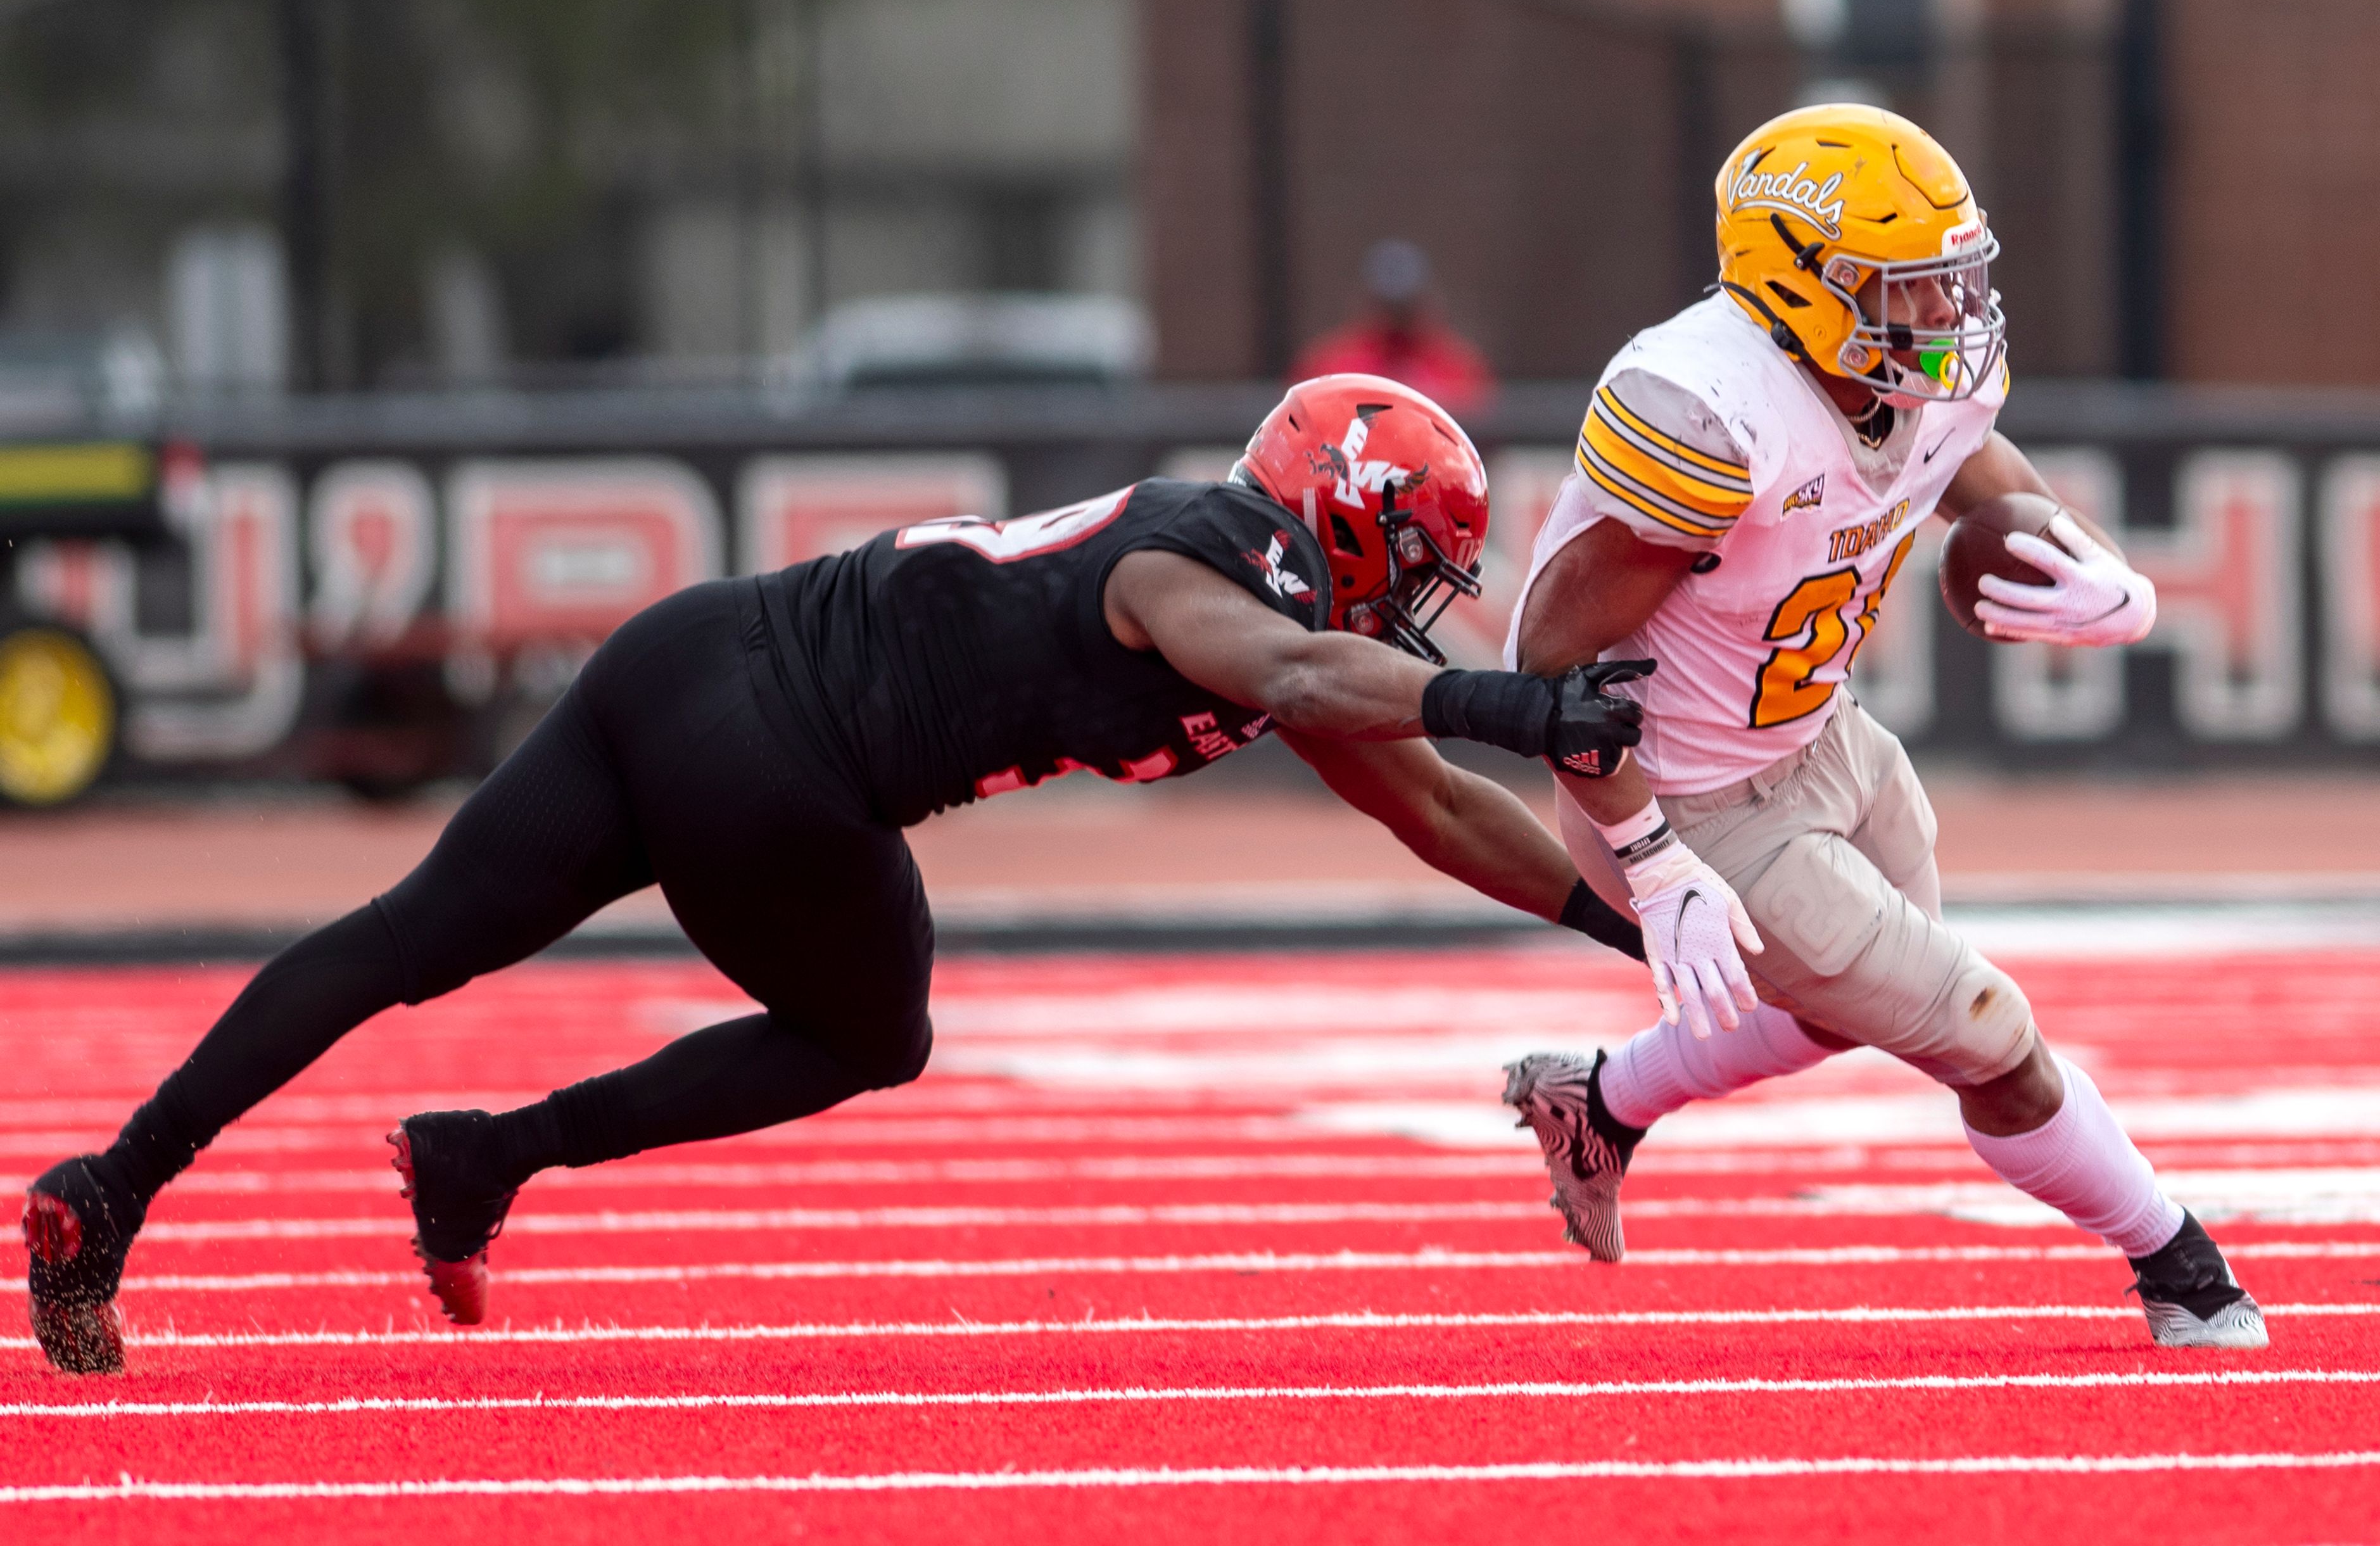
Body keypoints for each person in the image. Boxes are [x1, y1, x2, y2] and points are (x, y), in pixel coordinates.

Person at [23, 374, 1654, 1376]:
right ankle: (495, 1153)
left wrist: (1626, 922)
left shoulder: (1265, 597)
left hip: (691, 652)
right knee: (876, 1031)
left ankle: (114, 1183)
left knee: (404, 938)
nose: (1419, 604)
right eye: (1416, 564)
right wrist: (1516, 701)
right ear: (1346, 519)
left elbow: (1434, 807)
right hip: (788, 758)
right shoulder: (1204, 567)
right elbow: (1301, 678)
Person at [1495, 104, 2267, 1350]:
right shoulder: (1710, 407)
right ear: (1794, 281)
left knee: (1847, 1002)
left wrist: (2087, 562)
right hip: (1685, 790)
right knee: (1989, 1036)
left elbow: (1972, 455)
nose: (1944, 316)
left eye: (1951, 281)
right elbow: (1549, 662)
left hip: (1825, 736)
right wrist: (1652, 854)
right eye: (1903, 289)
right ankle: (2181, 1263)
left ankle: (1599, 1100)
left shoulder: (1904, 375)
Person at [1291, 239, 1496, 411]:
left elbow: (1484, 428)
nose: (1396, 317)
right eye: (1389, 306)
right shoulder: (1332, 363)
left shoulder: (1457, 366)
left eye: (1405, 306)